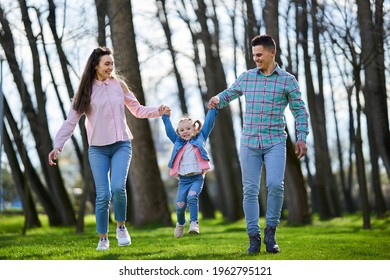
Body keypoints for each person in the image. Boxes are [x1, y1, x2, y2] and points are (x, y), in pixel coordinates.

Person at [48, 47, 171, 250]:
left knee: (117, 188)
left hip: (122, 144)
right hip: (98, 149)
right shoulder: (85, 91)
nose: (110, 67)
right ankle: (103, 238)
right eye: (106, 63)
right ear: (96, 65)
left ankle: (121, 227)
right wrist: (58, 145)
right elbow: (71, 121)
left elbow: (137, 110)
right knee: (103, 195)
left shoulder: (119, 85)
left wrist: (158, 111)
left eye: (112, 63)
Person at [208, 34, 309, 254]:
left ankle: (271, 233)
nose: (256, 58)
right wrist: (217, 99)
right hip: (249, 142)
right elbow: (229, 94)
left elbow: (300, 111)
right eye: (254, 55)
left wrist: (301, 137)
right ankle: (254, 237)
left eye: (260, 54)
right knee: (250, 190)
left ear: (272, 53)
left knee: (274, 185)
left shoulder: (287, 80)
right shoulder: (247, 77)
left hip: (275, 141)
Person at [162, 108, 218, 238]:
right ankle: (181, 223)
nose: (185, 132)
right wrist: (165, 117)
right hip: (184, 180)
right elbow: (169, 130)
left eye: (188, 128)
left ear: (194, 129)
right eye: (181, 130)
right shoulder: (177, 142)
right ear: (178, 132)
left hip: (197, 178)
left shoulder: (201, 138)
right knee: (180, 205)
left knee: (192, 197)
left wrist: (213, 109)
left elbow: (209, 123)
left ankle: (194, 223)